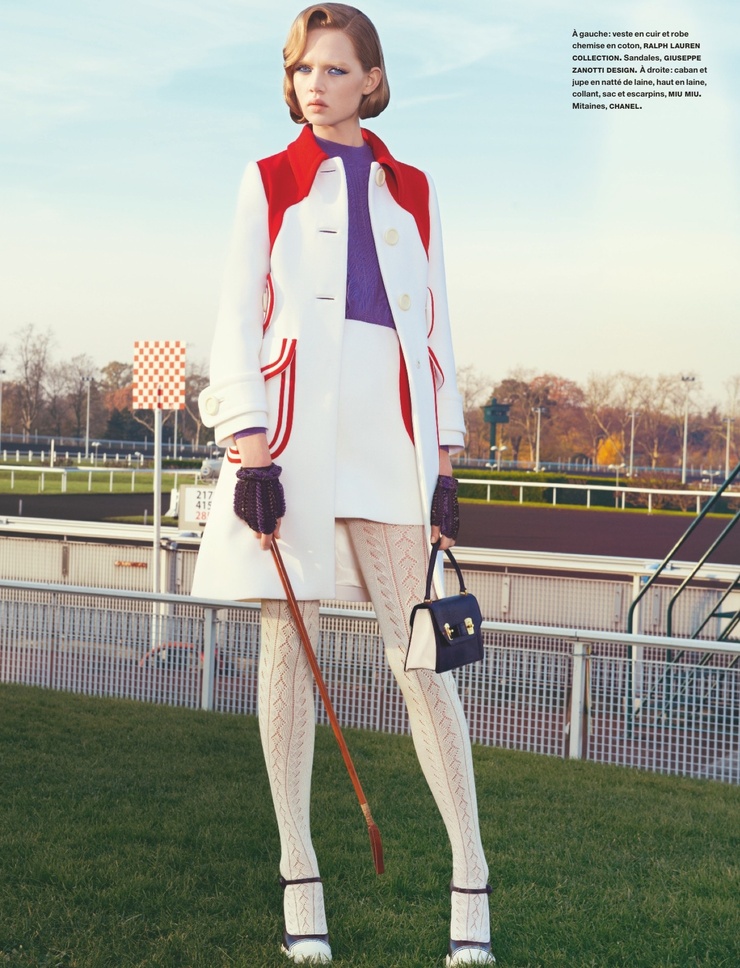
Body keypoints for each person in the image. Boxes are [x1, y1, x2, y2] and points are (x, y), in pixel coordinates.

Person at [192, 4, 494, 964]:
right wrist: (248, 448)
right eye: (301, 70)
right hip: (293, 443)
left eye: (333, 69)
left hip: (393, 443)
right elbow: (237, 319)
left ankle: (472, 884)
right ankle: (300, 878)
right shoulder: (269, 178)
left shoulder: (415, 188)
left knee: (424, 663)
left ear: (372, 78)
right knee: (290, 653)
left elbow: (436, 331)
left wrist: (445, 460)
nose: (313, 86)